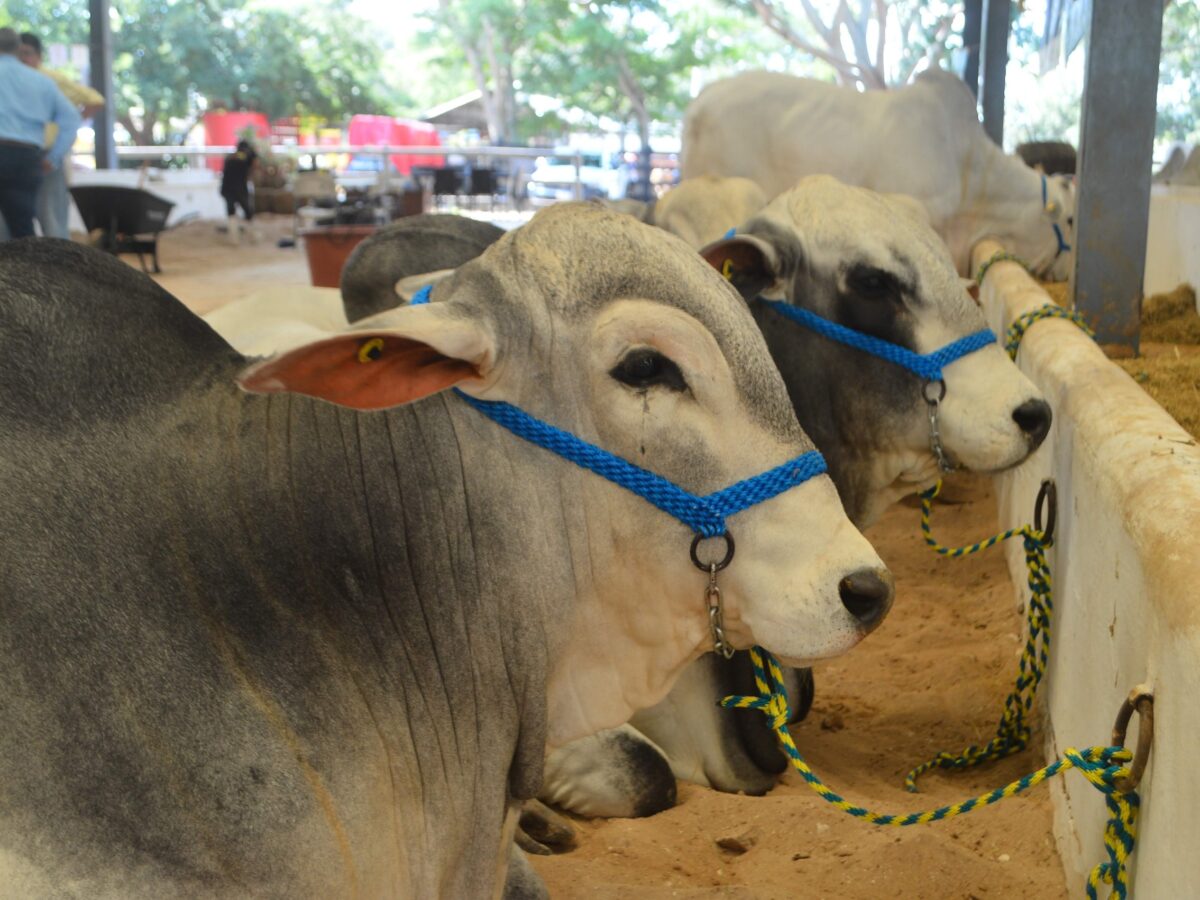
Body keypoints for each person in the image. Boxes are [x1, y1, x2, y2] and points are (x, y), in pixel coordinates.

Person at [18, 32, 105, 240]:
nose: (22, 59)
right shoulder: (8, 81)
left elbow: (94, 100)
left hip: (47, 157)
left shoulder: (51, 79)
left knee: (52, 221)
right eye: (18, 54)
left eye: (27, 54)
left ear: (39, 56)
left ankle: (59, 269)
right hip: (13, 157)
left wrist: (72, 121)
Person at [0, 27, 80, 239]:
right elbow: (72, 119)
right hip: (26, 157)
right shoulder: (42, 82)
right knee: (22, 228)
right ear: (18, 50)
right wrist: (53, 157)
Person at [221, 140, 258, 244]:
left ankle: (234, 238)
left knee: (231, 211)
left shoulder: (230, 156)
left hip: (226, 187)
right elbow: (255, 166)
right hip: (239, 187)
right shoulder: (248, 156)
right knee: (247, 211)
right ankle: (251, 236)